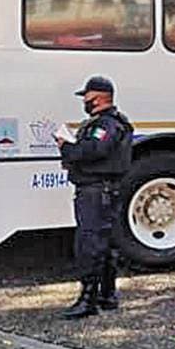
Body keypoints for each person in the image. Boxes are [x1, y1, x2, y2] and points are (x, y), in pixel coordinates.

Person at [56, 76, 134, 319]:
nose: (85, 102)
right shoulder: (107, 122)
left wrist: (66, 148)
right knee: (104, 243)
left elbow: (94, 150)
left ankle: (88, 300)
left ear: (99, 98)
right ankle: (106, 295)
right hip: (100, 190)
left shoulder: (107, 125)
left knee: (90, 244)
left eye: (87, 97)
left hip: (97, 191)